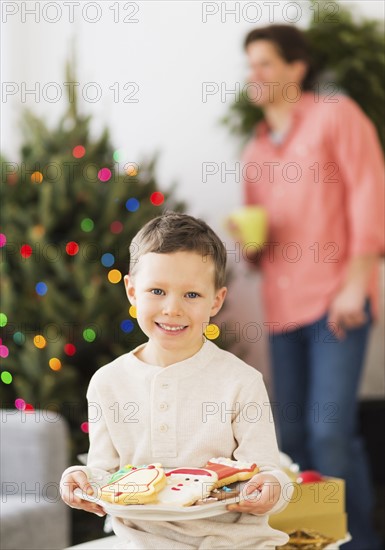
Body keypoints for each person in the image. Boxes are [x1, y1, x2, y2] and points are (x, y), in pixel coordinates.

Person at [60, 212, 294, 550]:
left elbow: (270, 474)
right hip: (142, 542)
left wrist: (271, 488)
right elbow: (104, 475)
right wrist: (79, 480)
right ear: (131, 291)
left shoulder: (241, 382)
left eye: (192, 295)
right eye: (157, 291)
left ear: (216, 301)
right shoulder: (107, 383)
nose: (172, 308)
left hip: (234, 543)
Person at [239, 24, 384, 550]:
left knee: (330, 435)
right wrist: (250, 242)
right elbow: (259, 249)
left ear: (297, 68)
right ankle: (316, 542)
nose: (254, 75)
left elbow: (370, 196)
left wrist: (355, 285)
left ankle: (362, 542)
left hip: (335, 303)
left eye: (265, 64)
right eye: (249, 65)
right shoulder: (255, 147)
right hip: (282, 309)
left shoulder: (335, 116)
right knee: (294, 442)